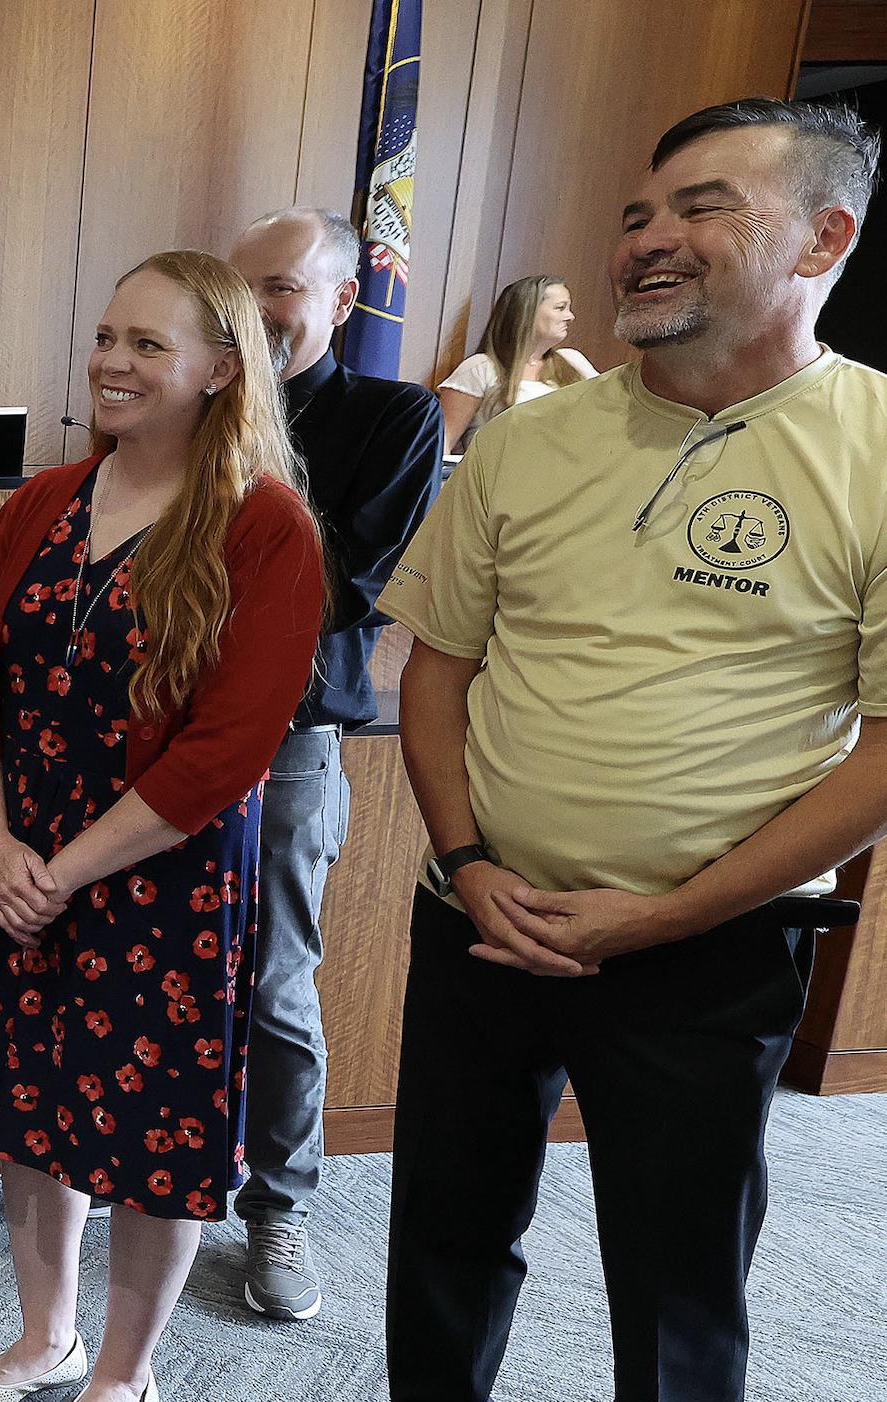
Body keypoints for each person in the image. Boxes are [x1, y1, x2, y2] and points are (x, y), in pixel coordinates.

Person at [380, 98, 887, 1402]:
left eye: (702, 205)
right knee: (440, 1239)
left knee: (672, 1285)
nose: (647, 237)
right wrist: (468, 860)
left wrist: (660, 916)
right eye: (634, 214)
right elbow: (435, 674)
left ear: (824, 236)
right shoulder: (527, 437)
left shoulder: (878, 451)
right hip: (479, 920)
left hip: (708, 952)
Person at [0, 251, 323, 1402]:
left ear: (216, 369)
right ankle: (40, 1336)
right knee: (28, 1106)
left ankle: (121, 1374)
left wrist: (63, 869)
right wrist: (1, 850)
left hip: (164, 878)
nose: (111, 361)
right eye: (107, 336)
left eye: (147, 345)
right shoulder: (41, 501)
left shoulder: (266, 526)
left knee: (154, 1143)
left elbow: (227, 749)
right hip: (18, 859)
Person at [221, 207, 446, 1322]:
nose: (255, 309)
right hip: (158, 736)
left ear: (340, 301)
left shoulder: (392, 419)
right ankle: (156, 1171)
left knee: (272, 986)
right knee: (153, 966)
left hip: (289, 745)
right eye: (240, 285)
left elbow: (345, 584)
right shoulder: (182, 405)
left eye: (280, 286)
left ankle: (276, 1206)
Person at [435, 274, 598, 453]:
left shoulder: (571, 360)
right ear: (527, 312)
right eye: (560, 308)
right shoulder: (481, 367)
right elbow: (442, 445)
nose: (570, 316)